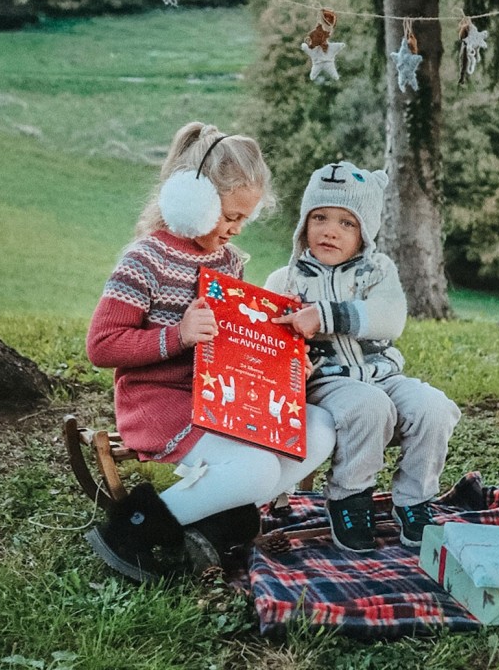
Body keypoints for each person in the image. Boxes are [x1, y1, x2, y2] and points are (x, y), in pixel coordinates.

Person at [84, 122, 336, 582]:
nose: (238, 230)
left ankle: (216, 525)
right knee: (258, 470)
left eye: (246, 219)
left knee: (318, 428)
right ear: (193, 201)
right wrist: (176, 335)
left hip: (221, 397)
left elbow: (234, 340)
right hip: (161, 403)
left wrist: (281, 354)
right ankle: (132, 529)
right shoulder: (146, 259)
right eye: (230, 216)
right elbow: (101, 346)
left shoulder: (228, 262)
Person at [264, 161, 461, 553]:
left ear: (365, 232)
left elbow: (390, 319)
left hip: (381, 374)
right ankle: (349, 498)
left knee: (433, 408)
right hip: (327, 380)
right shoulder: (285, 280)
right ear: (304, 223)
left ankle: (415, 500)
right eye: (319, 217)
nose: (330, 230)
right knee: (369, 408)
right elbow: (267, 341)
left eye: (346, 223)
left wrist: (324, 315)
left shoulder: (378, 271)